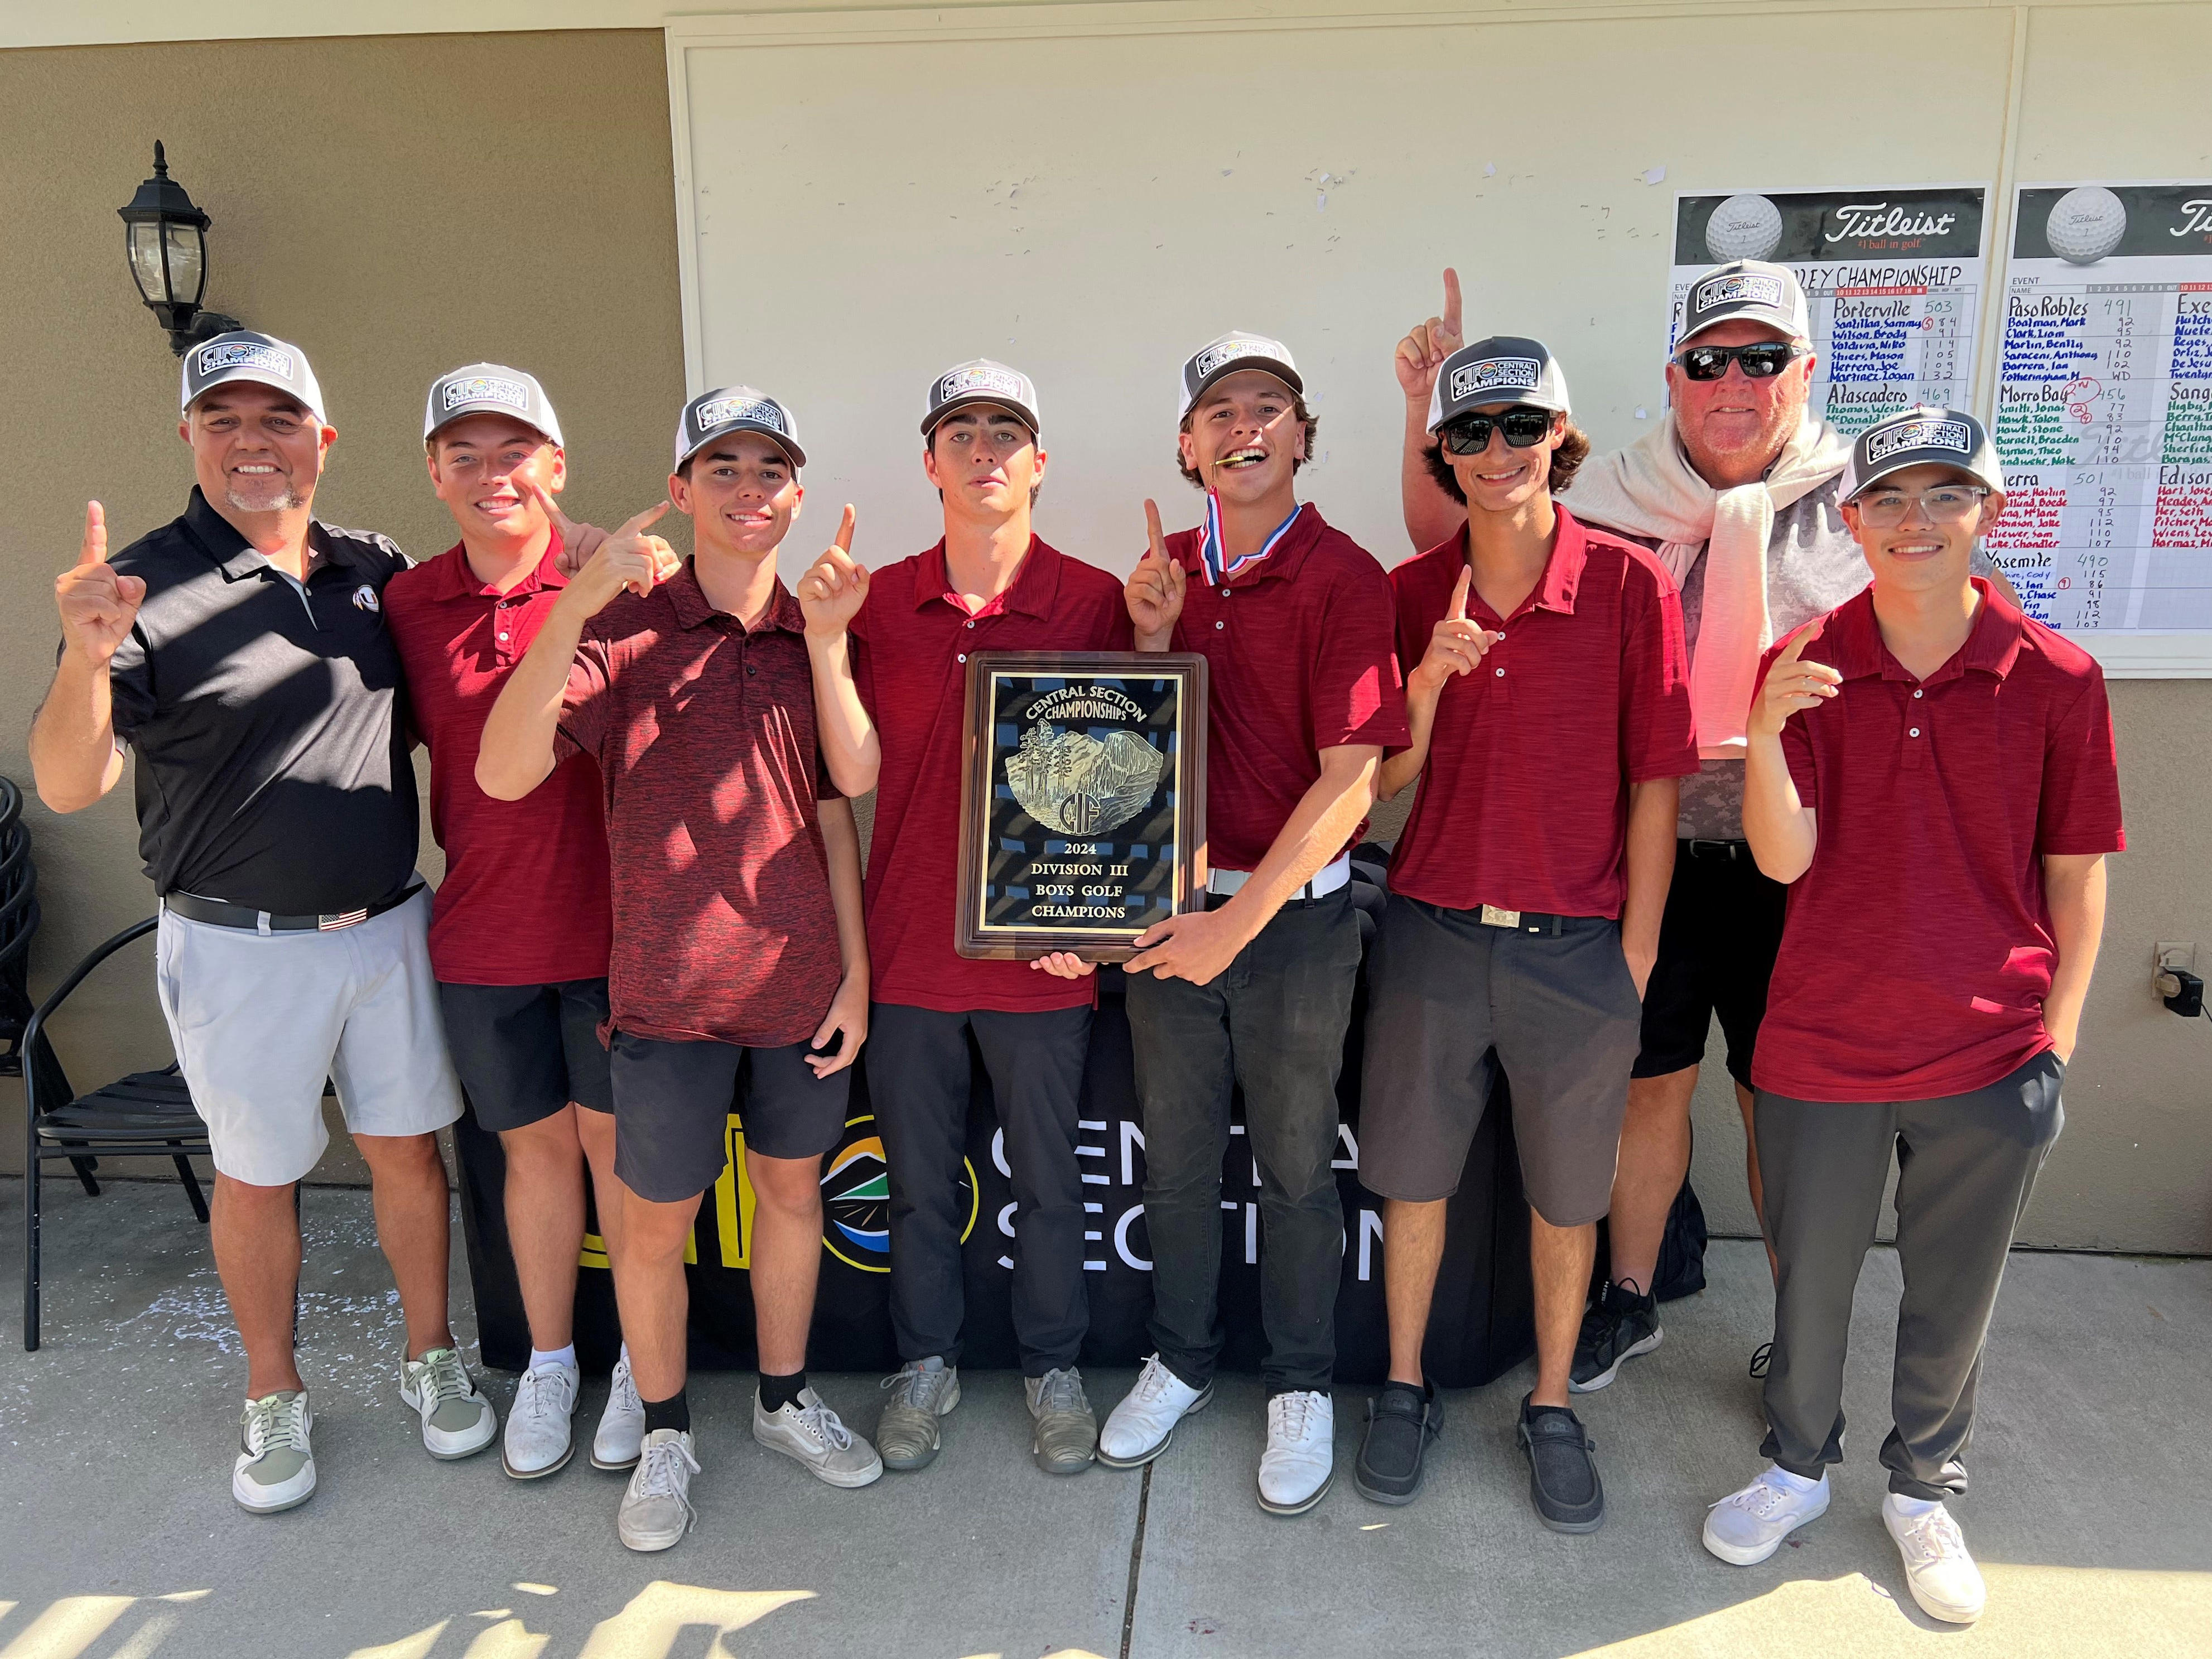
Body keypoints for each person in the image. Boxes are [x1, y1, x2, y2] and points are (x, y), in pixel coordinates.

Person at [1394, 263, 2015, 1392]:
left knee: (1788, 1104)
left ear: (1805, 373)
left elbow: (1960, 637)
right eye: (1711, 360)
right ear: (1673, 376)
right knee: (1650, 1086)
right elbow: (1457, 537)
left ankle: (1798, 1333)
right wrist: (1427, 405)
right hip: (1652, 851)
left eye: (1764, 358)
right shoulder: (1607, 500)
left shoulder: (1866, 504)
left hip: (1809, 863)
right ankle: (1627, 1301)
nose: (1736, 382)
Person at [28, 331, 493, 1515]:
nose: (252, 443)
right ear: (190, 436)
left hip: (387, 926)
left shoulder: (371, 569)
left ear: (322, 441)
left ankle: (430, 1357)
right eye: (223, 419)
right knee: (258, 1176)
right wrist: (85, 665)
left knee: (407, 1153)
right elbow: (69, 782)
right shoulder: (141, 586)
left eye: (277, 418)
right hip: (237, 945)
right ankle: (275, 1390)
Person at [1703, 407, 2120, 1625]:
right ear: (1855, 521)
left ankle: (1924, 1485)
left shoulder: (2058, 675)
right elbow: (1784, 862)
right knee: (1809, 1286)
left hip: (1989, 1048)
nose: (1916, 521)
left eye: (1946, 496)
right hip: (1825, 1041)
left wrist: (2063, 1037)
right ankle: (1792, 1465)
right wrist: (1768, 728)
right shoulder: (1814, 658)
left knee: (1955, 1290)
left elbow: (2078, 870)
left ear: (1989, 514)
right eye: (1890, 499)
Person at [476, 387, 879, 1553]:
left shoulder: (815, 622)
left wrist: (853, 976)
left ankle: (784, 1397)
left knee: (796, 1199)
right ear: (685, 485)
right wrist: (575, 605)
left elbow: (846, 792)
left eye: (771, 470)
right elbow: (504, 775)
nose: (749, 489)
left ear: (797, 494)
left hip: (799, 988)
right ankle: (663, 1431)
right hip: (663, 996)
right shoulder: (628, 624)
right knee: (653, 1232)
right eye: (723, 467)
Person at [1353, 340, 1693, 1527]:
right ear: (1442, 453)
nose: (1496, 450)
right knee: (1410, 1176)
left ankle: (1552, 1400)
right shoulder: (1408, 594)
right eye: (1470, 431)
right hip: (1435, 933)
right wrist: (1433, 684)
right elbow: (1377, 787)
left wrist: (1637, 950)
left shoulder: (1630, 584)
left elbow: (1657, 781)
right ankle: (1404, 1386)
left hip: (1577, 946)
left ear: (1560, 433)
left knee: (1565, 1197)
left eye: (1519, 424)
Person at [1097, 332, 1408, 1517]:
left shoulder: (1346, 574)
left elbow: (1351, 784)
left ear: (1302, 434)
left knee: (1293, 1173)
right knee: (1175, 1168)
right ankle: (1179, 1356)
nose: (1242, 427)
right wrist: (1147, 641)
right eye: (1217, 411)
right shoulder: (1166, 572)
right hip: (1171, 919)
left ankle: (1301, 1382)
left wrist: (1236, 923)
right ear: (1189, 445)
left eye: (1266, 406)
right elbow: (1134, 747)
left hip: (1293, 929)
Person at [799, 361, 1129, 1477]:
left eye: (1007, 431)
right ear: (928, 462)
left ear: (1039, 461)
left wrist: (1097, 912)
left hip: (1044, 956)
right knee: (918, 1179)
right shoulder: (881, 600)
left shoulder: (1094, 600)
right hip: (908, 950)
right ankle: (924, 1362)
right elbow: (848, 773)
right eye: (960, 430)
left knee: (1050, 1180)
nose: (983, 448)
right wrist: (829, 642)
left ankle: (1053, 1365)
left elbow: (1137, 779)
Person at [384, 364, 650, 1482]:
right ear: (435, 473)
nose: (493, 475)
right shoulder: (406, 605)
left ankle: (644, 1359)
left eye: (516, 453)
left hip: (611, 934)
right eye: (467, 455)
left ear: (557, 468)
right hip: (485, 936)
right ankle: (550, 1361)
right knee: (533, 1155)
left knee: (618, 1153)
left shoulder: (623, 586)